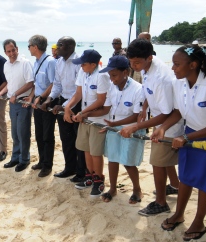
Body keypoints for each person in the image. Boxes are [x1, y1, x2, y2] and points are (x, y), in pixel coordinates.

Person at [153, 45, 206, 241]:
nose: (172, 68)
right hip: (191, 132)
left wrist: (186, 138)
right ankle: (179, 213)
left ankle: (199, 221)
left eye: (176, 64)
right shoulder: (179, 83)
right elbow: (178, 111)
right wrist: (163, 128)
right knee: (186, 176)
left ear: (193, 64)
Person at [120, 38, 182, 216]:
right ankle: (175, 185)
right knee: (164, 159)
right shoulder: (147, 68)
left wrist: (135, 126)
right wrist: (145, 107)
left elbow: (167, 113)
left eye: (137, 62)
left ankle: (161, 203)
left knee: (157, 162)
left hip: (170, 124)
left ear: (149, 57)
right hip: (160, 116)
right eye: (131, 62)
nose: (134, 66)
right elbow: (149, 90)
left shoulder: (161, 77)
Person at [89, 55, 145, 204]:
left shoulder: (138, 89)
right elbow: (106, 107)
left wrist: (115, 124)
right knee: (112, 158)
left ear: (125, 72)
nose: (111, 78)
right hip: (113, 126)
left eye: (114, 75)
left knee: (128, 161)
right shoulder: (111, 87)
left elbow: (136, 116)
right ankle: (112, 188)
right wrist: (87, 114)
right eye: (109, 75)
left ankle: (137, 189)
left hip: (130, 128)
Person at [64, 49, 110, 197]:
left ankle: (99, 180)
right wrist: (67, 107)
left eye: (83, 64)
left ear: (93, 64)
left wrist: (83, 113)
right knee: (86, 149)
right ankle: (89, 176)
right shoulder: (83, 73)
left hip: (97, 120)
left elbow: (101, 100)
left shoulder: (102, 75)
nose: (81, 66)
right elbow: (78, 94)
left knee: (96, 152)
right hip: (84, 117)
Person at [40, 36, 86, 181]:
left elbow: (80, 89)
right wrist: (49, 99)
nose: (57, 48)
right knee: (66, 138)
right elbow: (57, 84)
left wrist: (66, 105)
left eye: (60, 45)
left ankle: (82, 172)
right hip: (62, 101)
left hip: (77, 104)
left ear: (70, 47)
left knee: (79, 140)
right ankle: (69, 168)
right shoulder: (59, 62)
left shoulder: (79, 62)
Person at [0, 39, 34, 172]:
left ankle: (24, 160)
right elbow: (9, 84)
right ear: (5, 52)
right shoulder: (6, 65)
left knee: (23, 132)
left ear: (17, 49)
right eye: (8, 51)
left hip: (23, 102)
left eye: (13, 50)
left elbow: (30, 83)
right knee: (15, 133)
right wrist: (1, 92)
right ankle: (15, 157)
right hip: (12, 103)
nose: (11, 53)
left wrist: (15, 94)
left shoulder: (25, 63)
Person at [27, 35, 57, 177]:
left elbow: (53, 84)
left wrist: (41, 97)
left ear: (36, 47)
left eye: (29, 46)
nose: (28, 48)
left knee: (47, 135)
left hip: (47, 103)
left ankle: (47, 165)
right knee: (39, 134)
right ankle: (41, 160)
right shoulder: (36, 62)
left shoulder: (50, 62)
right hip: (37, 101)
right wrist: (33, 97)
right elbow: (36, 84)